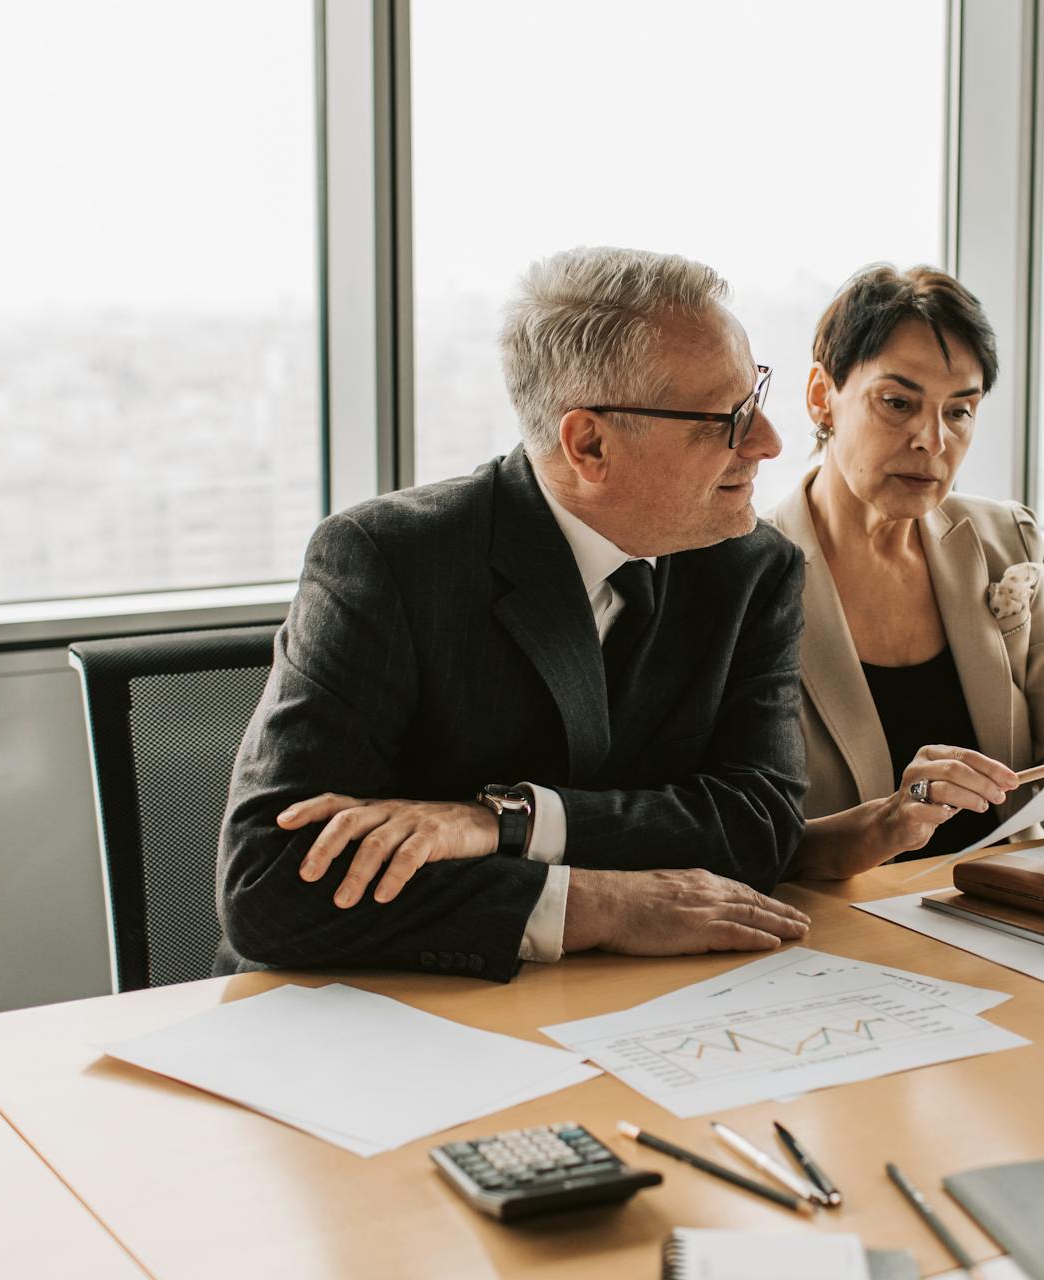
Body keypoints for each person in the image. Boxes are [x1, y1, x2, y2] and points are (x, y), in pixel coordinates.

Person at [215, 246, 813, 981]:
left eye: (753, 396)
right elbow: (270, 884)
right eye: (728, 419)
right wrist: (599, 904)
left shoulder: (753, 567)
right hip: (369, 1020)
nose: (768, 443)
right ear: (589, 443)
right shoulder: (388, 560)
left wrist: (504, 822)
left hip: (619, 1010)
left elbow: (759, 825)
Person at [771, 265, 1044, 880]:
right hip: (837, 931)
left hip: (1009, 906)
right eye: (898, 403)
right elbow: (735, 833)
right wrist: (891, 821)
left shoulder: (1004, 538)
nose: (931, 440)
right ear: (822, 395)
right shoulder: (744, 568)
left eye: (960, 412)